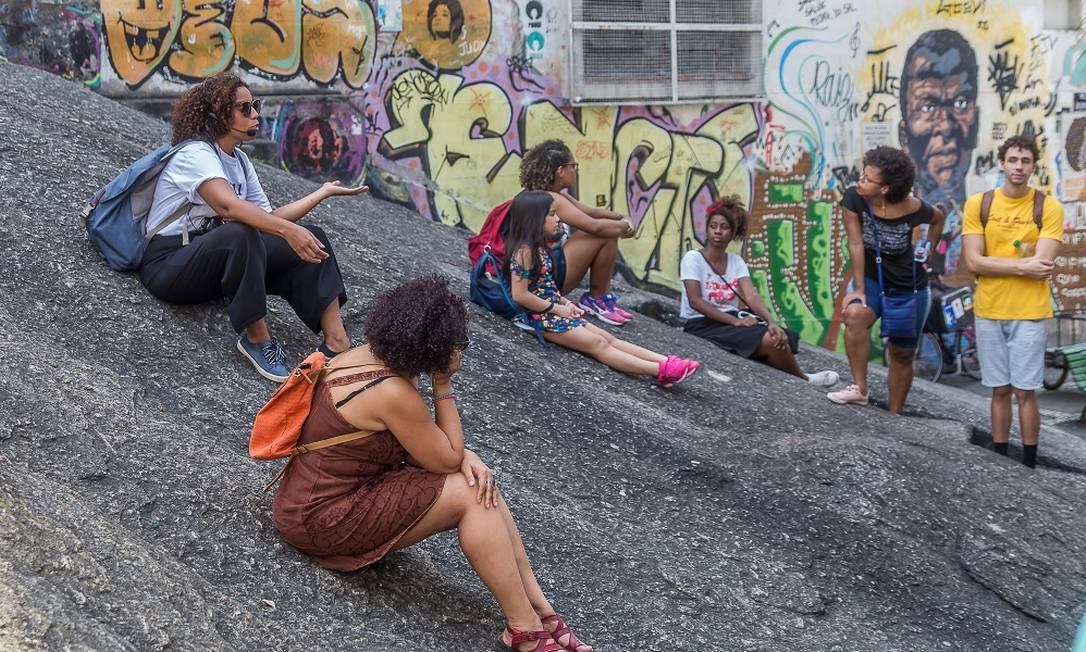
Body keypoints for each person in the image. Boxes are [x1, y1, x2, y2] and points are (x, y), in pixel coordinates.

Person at [272, 275, 592, 652]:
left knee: (479, 480)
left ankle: (540, 611)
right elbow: (446, 458)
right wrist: (443, 382)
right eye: (457, 344)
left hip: (312, 503)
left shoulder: (360, 356)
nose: (459, 350)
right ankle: (523, 628)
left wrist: (466, 457)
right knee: (473, 492)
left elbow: (416, 447)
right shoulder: (391, 390)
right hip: (322, 521)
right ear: (433, 347)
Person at [139, 73, 368, 382]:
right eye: (244, 108)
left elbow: (268, 217)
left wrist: (321, 193)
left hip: (215, 265)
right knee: (242, 231)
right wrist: (287, 231)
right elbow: (228, 207)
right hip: (170, 265)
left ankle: (337, 345)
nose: (256, 114)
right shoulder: (195, 154)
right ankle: (257, 339)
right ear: (217, 115)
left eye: (255, 105)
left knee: (312, 237)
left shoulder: (240, 161)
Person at [504, 191, 698, 386]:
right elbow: (520, 295)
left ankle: (665, 360)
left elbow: (545, 286)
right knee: (598, 344)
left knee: (608, 338)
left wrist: (567, 303)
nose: (558, 218)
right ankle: (660, 371)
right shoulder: (524, 252)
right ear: (535, 219)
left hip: (553, 310)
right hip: (536, 318)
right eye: (552, 214)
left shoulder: (539, 248)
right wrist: (558, 309)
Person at [962, 135, 1063, 469]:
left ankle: (1030, 462)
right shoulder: (980, 204)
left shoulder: (1048, 207)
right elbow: (973, 262)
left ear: (1034, 165)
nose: (1019, 167)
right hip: (989, 310)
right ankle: (1001, 458)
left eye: (1025, 161)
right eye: (1013, 160)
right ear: (1001, 163)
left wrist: (999, 265)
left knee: (1025, 391)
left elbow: (1043, 267)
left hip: (1030, 313)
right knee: (1000, 389)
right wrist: (1022, 265)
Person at [828, 146, 945, 413]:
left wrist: (927, 251)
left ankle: (894, 414)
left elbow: (938, 218)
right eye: (862, 175)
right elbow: (856, 244)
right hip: (873, 280)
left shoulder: (913, 207)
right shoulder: (853, 199)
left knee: (901, 353)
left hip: (909, 287)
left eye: (867, 179)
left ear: (885, 188)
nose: (859, 181)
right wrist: (858, 288)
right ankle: (860, 389)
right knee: (855, 315)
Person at [680, 196, 839, 387]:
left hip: (729, 321)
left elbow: (751, 296)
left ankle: (795, 374)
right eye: (713, 226)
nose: (718, 232)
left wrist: (772, 322)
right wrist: (736, 322)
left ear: (732, 233)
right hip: (701, 324)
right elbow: (695, 301)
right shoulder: (693, 258)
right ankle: (805, 379)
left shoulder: (736, 261)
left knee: (779, 335)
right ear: (707, 229)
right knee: (771, 341)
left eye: (724, 227)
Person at [520, 140, 636, 325]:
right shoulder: (551, 198)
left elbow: (592, 212)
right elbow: (594, 225)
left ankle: (600, 298)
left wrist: (621, 216)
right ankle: (597, 299)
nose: (575, 170)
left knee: (607, 230)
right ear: (560, 170)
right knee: (604, 234)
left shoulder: (549, 194)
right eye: (573, 166)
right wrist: (625, 227)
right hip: (545, 275)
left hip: (541, 269)